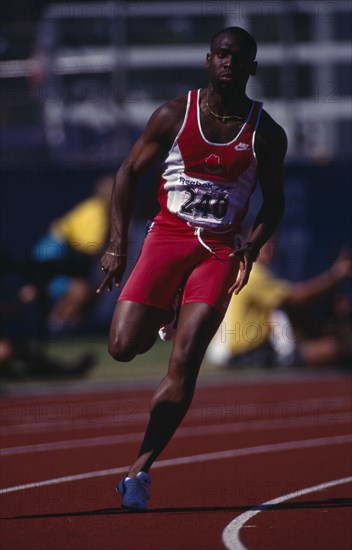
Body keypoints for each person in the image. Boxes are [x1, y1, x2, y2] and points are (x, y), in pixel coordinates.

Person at [97, 27, 287, 511]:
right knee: (122, 347)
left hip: (220, 250)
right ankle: (165, 307)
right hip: (168, 236)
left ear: (252, 69)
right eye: (222, 54)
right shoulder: (173, 115)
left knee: (185, 362)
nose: (229, 63)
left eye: (239, 57)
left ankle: (138, 473)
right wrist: (117, 246)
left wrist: (252, 245)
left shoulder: (266, 133)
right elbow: (128, 173)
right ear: (208, 60)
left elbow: (274, 204)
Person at [207, 242, 352, 369]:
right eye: (263, 243)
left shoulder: (255, 272)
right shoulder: (253, 274)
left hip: (253, 349)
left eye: (272, 243)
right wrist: (335, 275)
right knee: (332, 349)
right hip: (247, 354)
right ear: (248, 245)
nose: (270, 248)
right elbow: (296, 299)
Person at [31, 174, 113, 333]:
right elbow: (89, 250)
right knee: (82, 291)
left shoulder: (96, 208)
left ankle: (60, 326)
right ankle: (56, 328)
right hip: (52, 257)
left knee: (85, 292)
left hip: (55, 257)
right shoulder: (98, 212)